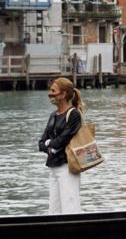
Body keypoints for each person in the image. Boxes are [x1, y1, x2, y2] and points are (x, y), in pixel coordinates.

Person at [38, 78, 84, 213]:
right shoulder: (53, 115)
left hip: (67, 166)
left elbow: (62, 140)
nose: (49, 94)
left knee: (70, 206)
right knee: (53, 209)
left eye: (53, 91)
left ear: (63, 94)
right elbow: (41, 143)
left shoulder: (74, 114)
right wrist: (49, 144)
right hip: (53, 166)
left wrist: (50, 143)